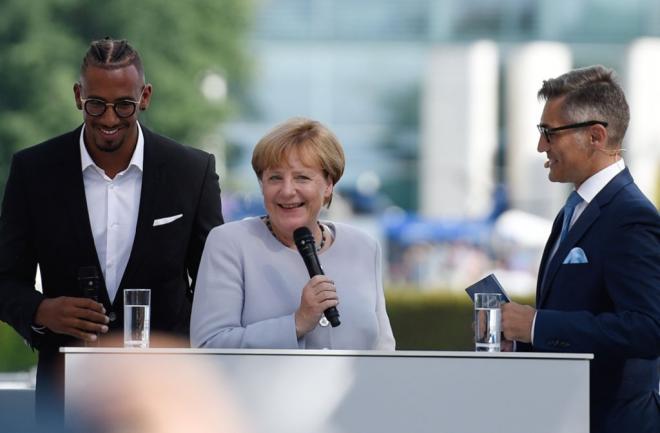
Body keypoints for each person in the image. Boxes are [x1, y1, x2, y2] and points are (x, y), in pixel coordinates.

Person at [0, 38, 224, 418]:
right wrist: (41, 310)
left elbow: (213, 285)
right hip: (66, 391)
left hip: (166, 392)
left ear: (145, 96)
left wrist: (177, 345)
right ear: (77, 95)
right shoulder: (33, 171)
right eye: (96, 104)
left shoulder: (192, 171)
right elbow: (4, 279)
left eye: (124, 105)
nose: (108, 118)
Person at [501, 65, 660, 433]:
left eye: (549, 133)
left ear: (596, 136)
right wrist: (520, 338)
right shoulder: (573, 212)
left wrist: (537, 324)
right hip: (568, 415)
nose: (541, 146)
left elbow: (649, 328)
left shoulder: (631, 217)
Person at [191, 117, 395, 350]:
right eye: (275, 178)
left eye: (302, 177)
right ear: (261, 184)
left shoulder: (364, 247)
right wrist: (296, 323)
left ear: (329, 184)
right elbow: (208, 346)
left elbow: (384, 348)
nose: (287, 191)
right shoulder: (229, 243)